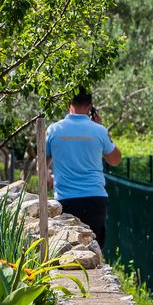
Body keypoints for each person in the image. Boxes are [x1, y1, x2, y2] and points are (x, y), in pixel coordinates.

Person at [45, 90, 122, 252]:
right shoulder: (99, 131)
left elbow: (41, 164)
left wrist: (49, 176)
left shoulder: (54, 130)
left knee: (67, 251)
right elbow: (115, 160)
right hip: (95, 199)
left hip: (65, 200)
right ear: (91, 107)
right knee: (94, 251)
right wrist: (104, 132)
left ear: (68, 105)